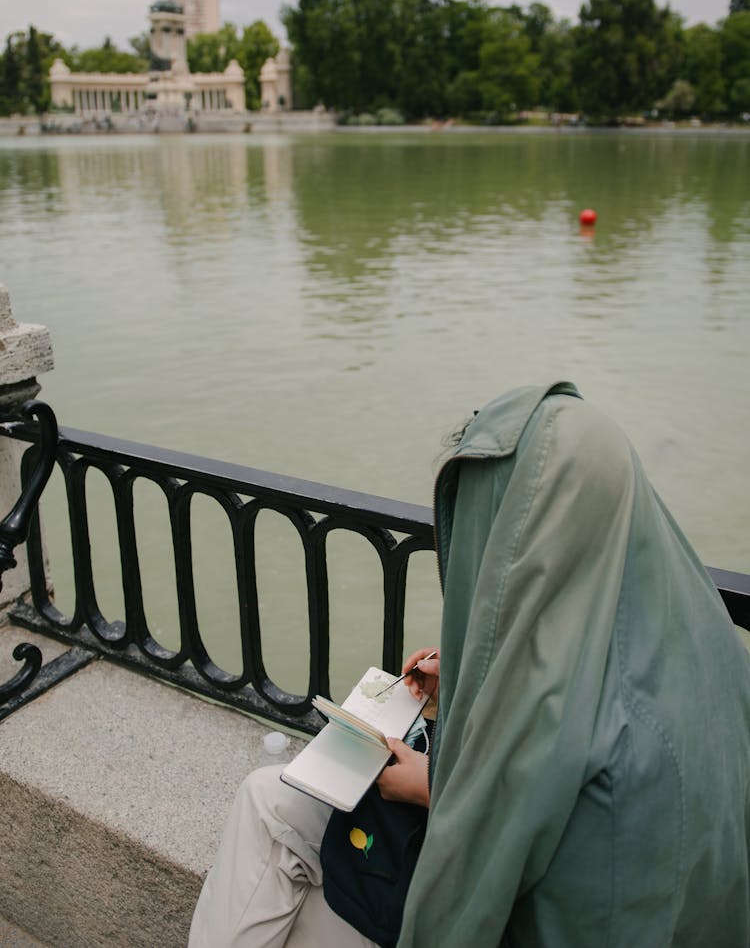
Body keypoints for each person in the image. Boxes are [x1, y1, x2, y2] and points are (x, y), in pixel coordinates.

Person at [190, 382, 750, 947]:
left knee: (270, 815)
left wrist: (434, 786)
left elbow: (519, 844)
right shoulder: (695, 639)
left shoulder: (627, 743)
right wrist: (466, 685)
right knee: (270, 800)